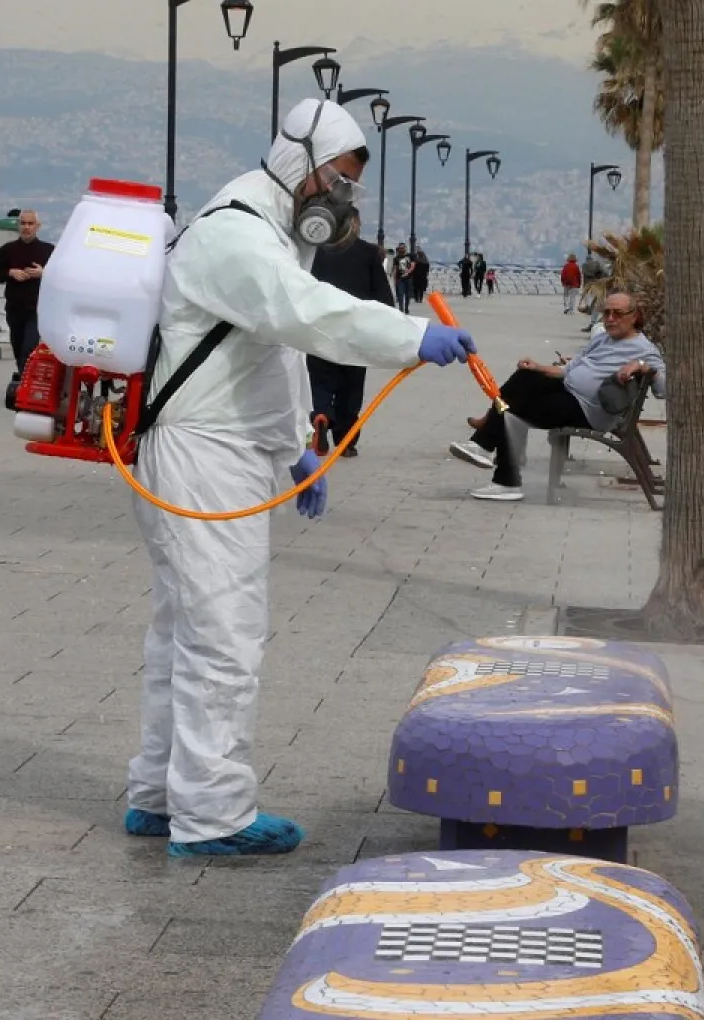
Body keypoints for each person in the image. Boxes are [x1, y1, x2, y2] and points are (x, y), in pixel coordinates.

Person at [124, 97, 475, 859]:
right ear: (298, 164)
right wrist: (412, 335)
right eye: (336, 179)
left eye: (350, 185)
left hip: (221, 447)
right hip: (201, 454)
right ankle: (212, 815)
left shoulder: (265, 230)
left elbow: (270, 352)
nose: (341, 198)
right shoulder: (236, 235)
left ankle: (159, 792)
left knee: (183, 630)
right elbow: (306, 315)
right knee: (224, 634)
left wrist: (294, 448)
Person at [449, 289, 662, 501]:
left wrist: (640, 365)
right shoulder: (603, 339)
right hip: (568, 391)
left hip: (587, 410)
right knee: (523, 378)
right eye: (606, 313)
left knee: (513, 407)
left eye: (618, 313)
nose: (610, 319)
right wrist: (537, 367)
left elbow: (664, 388)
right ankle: (490, 455)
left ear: (634, 316)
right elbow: (568, 369)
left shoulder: (643, 349)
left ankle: (499, 470)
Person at [307, 215, 393, 459]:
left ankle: (321, 415)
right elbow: (383, 297)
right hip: (356, 331)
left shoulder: (315, 252)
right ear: (355, 225)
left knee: (321, 381)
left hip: (320, 328)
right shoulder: (368, 253)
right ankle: (346, 440)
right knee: (351, 389)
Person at [0, 210, 54, 376]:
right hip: (15, 307)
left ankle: (25, 379)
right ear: (18, 226)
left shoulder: (48, 250)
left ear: (37, 226)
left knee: (29, 346)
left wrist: (43, 273)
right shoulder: (7, 250)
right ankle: (24, 377)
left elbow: (60, 276)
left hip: (37, 307)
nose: (26, 227)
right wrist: (10, 272)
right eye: (23, 223)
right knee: (18, 346)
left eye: (30, 223)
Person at [392, 243, 414, 312]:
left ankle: (406, 308)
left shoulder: (410, 256)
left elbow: (413, 266)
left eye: (402, 248)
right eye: (400, 248)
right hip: (400, 278)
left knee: (408, 295)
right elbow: (395, 269)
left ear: (405, 248)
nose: (401, 249)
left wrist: (407, 272)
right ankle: (401, 308)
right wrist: (394, 279)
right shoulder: (396, 258)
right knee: (400, 294)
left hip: (409, 278)